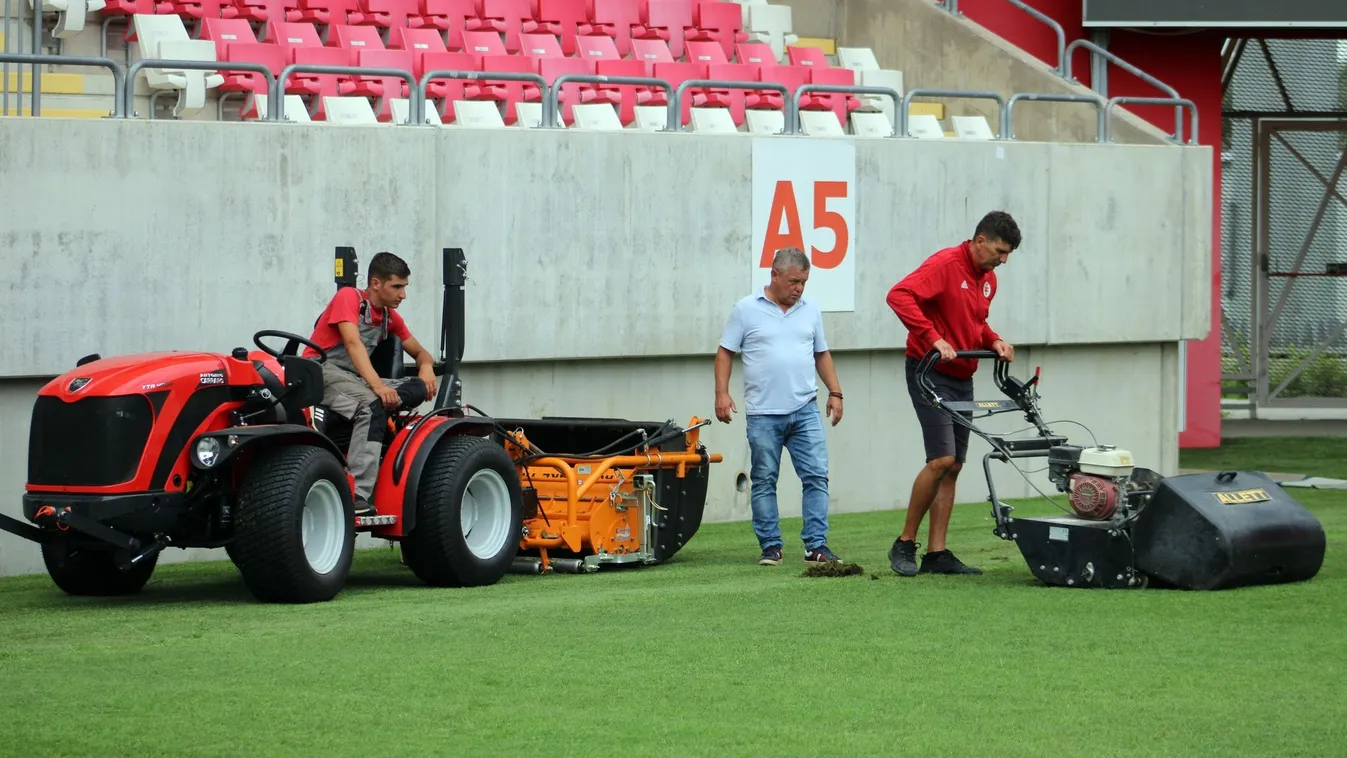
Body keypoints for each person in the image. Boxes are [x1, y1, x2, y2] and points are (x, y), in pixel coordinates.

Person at [884, 211, 1020, 577]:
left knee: (955, 466)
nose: (1003, 260)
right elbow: (899, 295)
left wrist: (993, 340)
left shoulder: (988, 279)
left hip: (963, 375)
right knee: (941, 459)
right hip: (929, 373)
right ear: (979, 241)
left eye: (1007, 254)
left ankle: (937, 554)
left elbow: (974, 324)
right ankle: (904, 543)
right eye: (1000, 250)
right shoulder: (945, 263)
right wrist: (933, 338)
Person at [714, 246, 845, 567]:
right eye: (794, 281)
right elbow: (725, 352)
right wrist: (722, 393)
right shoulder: (745, 309)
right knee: (764, 480)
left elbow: (821, 354)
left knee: (817, 476)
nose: (799, 288)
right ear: (774, 275)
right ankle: (770, 547)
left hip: (805, 410)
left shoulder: (810, 310)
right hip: (763, 415)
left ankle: (816, 545)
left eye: (804, 282)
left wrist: (835, 392)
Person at [304, 251, 439, 518]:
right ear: (376, 284)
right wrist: (378, 388)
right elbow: (353, 344)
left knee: (418, 386)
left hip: (354, 379)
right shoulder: (348, 298)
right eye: (397, 286)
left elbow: (422, 353)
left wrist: (426, 369)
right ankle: (357, 495)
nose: (403, 295)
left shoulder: (389, 317)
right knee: (372, 405)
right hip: (322, 372)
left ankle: (363, 425)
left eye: (405, 287)